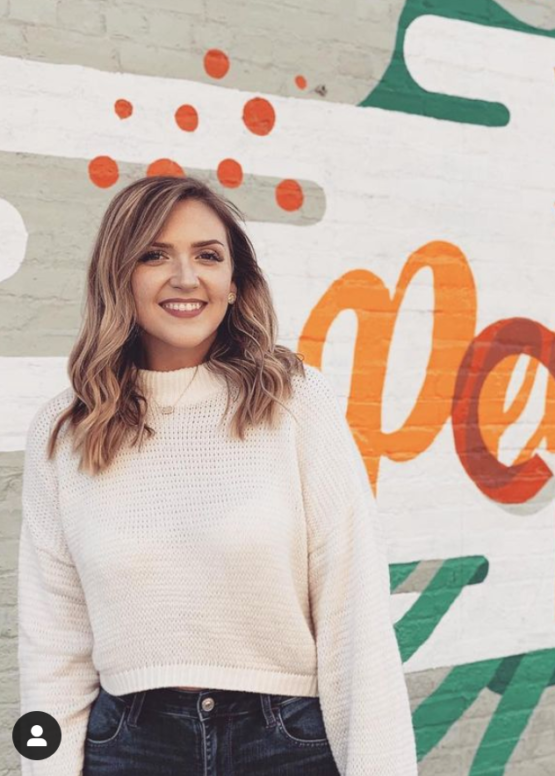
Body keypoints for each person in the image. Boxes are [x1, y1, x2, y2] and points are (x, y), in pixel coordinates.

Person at [17, 175, 418, 775]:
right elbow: (51, 646)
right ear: (118, 276)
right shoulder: (65, 430)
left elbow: (354, 613)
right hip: (129, 744)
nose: (185, 277)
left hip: (285, 741)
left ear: (236, 284)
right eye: (154, 254)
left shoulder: (295, 404)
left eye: (208, 255)